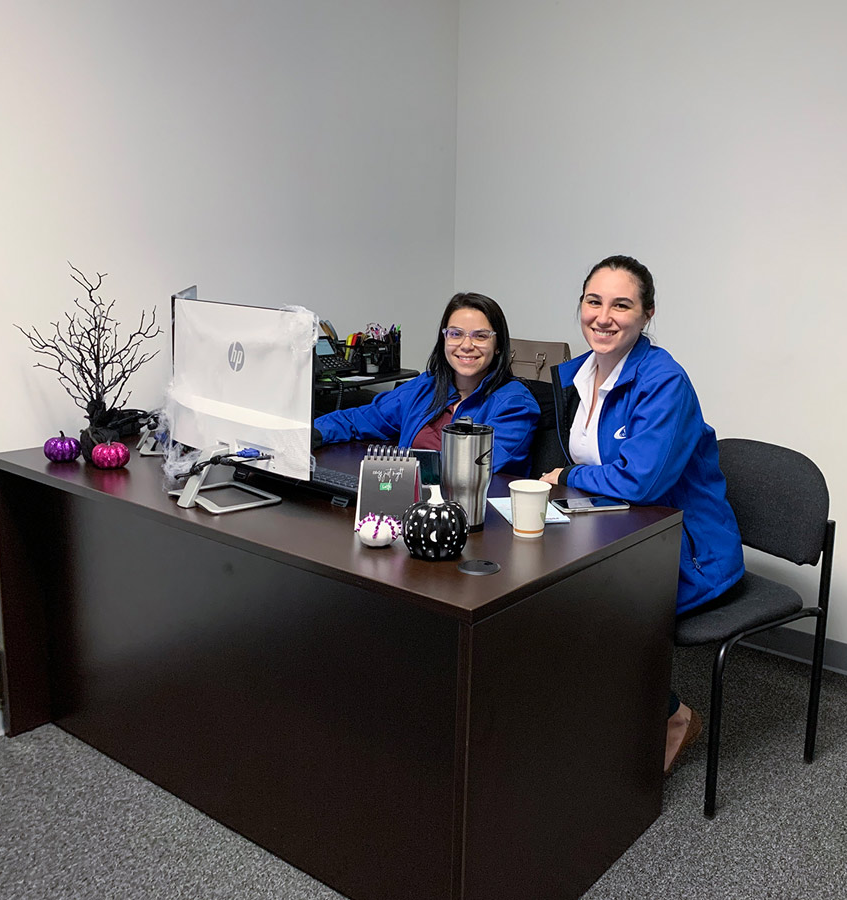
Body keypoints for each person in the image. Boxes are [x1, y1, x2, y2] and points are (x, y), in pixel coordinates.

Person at [539, 255, 744, 771]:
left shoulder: (664, 380)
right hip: (610, 531)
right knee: (528, 596)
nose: (603, 317)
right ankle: (578, 717)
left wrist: (566, 478)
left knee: (584, 613)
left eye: (621, 304)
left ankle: (674, 715)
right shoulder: (579, 375)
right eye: (593, 301)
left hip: (684, 548)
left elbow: (641, 481)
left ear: (647, 314)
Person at [313, 292, 539, 474]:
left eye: (480, 336)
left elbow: (474, 468)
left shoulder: (516, 404)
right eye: (455, 334)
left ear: (498, 345)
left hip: (477, 515)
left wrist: (400, 467)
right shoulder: (426, 386)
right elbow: (359, 419)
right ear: (444, 339)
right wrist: (309, 434)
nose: (466, 345)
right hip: (408, 500)